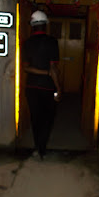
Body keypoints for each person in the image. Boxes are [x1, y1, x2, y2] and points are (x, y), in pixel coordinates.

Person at [22, 10, 62, 160]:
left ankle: (37, 147)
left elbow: (26, 68)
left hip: (31, 88)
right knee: (48, 118)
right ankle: (42, 149)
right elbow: (53, 68)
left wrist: (41, 72)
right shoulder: (52, 42)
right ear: (45, 25)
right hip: (47, 87)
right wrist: (58, 89)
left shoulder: (26, 43)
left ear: (32, 26)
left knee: (35, 118)